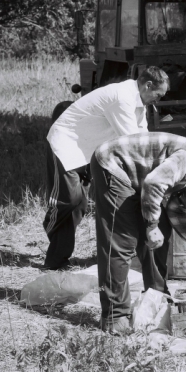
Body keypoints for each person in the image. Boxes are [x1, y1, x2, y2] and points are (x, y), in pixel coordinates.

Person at [91, 132, 186, 334]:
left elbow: (175, 208)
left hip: (139, 178)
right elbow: (153, 183)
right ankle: (114, 316)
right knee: (121, 241)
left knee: (159, 234)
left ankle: (157, 297)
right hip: (113, 163)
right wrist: (151, 226)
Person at [43, 67, 169, 270]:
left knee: (79, 205)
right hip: (65, 144)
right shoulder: (122, 98)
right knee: (69, 200)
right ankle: (51, 219)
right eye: (158, 95)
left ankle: (56, 261)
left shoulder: (139, 103)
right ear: (148, 85)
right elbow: (131, 144)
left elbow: (143, 138)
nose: (158, 100)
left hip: (85, 148)